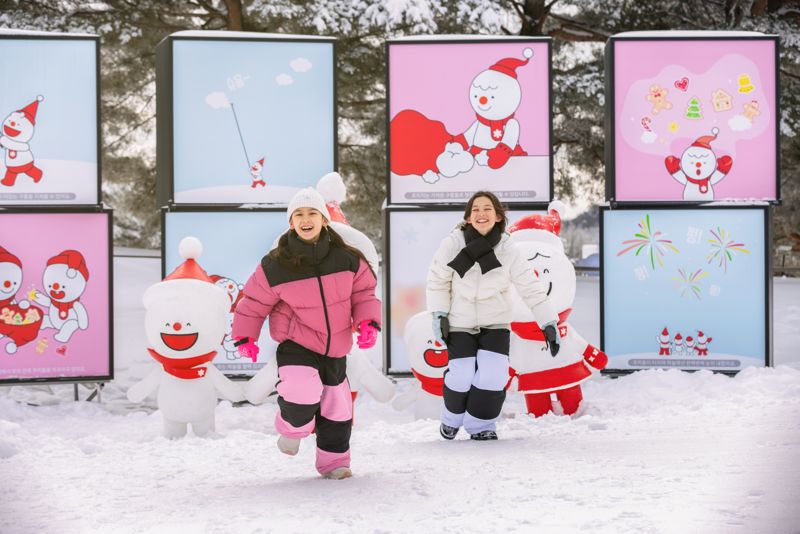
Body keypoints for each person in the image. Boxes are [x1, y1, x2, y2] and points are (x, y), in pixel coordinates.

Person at [232, 187, 381, 479]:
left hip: (336, 346)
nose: (305, 218)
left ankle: (334, 463)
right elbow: (253, 302)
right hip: (297, 342)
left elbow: (365, 294)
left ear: (324, 219)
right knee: (301, 392)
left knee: (337, 409)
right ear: (291, 222)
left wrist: (367, 323)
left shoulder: (348, 259)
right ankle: (292, 428)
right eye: (299, 214)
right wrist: (244, 336)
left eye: (312, 212)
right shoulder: (277, 263)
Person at [426, 191, 561, 441]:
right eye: (475, 209)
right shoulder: (453, 243)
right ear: (468, 218)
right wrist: (439, 314)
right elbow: (437, 280)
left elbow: (529, 286)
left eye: (487, 208)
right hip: (460, 320)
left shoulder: (508, 248)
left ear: (498, 216)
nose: (481, 213)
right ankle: (451, 419)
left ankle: (480, 424)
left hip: (495, 321)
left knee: (494, 373)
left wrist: (548, 322)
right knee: (462, 372)